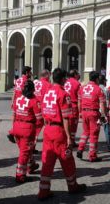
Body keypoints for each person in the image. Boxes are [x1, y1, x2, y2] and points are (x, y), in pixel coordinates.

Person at [38, 68, 86, 200]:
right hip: (58, 131)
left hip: (47, 129)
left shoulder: (47, 92)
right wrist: (69, 137)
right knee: (67, 159)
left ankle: (43, 191)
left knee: (47, 162)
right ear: (63, 79)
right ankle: (72, 186)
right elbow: (66, 118)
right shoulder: (63, 94)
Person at [12, 80, 42, 183]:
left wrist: (13, 129)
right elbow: (39, 118)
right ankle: (20, 175)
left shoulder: (18, 98)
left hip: (17, 126)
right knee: (24, 153)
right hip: (27, 128)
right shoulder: (34, 100)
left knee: (25, 150)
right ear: (33, 89)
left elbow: (14, 114)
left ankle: (31, 165)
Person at [76, 71, 106, 162]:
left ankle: (80, 149)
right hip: (93, 113)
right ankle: (92, 156)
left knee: (85, 132)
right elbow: (102, 104)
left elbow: (79, 102)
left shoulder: (82, 88)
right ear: (97, 79)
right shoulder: (98, 89)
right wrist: (103, 115)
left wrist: (80, 112)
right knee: (94, 135)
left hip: (84, 112)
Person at [8, 66, 32, 143]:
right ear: (27, 72)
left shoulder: (18, 80)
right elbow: (26, 93)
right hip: (24, 103)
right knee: (23, 120)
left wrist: (12, 101)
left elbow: (14, 92)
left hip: (17, 102)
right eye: (30, 72)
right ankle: (15, 133)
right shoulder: (26, 81)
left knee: (15, 118)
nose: (31, 74)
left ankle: (13, 132)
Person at [33, 70, 51, 153]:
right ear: (47, 75)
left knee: (34, 128)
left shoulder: (35, 83)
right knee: (41, 128)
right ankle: (33, 146)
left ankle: (31, 145)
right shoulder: (48, 85)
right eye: (49, 75)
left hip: (33, 107)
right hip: (42, 109)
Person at [98, 75, 110, 151]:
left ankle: (94, 147)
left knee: (94, 130)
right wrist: (107, 112)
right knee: (106, 129)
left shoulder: (96, 88)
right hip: (104, 111)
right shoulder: (106, 90)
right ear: (104, 81)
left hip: (96, 111)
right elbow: (108, 102)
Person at [64, 69, 81, 145]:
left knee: (66, 123)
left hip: (65, 105)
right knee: (73, 125)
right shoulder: (77, 83)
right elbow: (79, 98)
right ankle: (72, 140)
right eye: (77, 73)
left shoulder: (65, 82)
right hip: (73, 106)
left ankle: (66, 139)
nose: (79, 75)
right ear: (75, 75)